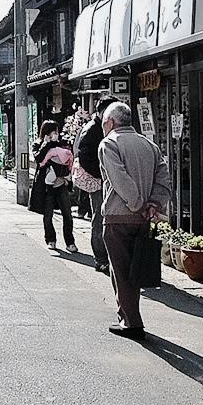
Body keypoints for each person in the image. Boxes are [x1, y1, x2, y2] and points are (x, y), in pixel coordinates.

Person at [98, 102, 172, 339]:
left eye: (103, 123)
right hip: (143, 218)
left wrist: (138, 203)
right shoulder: (149, 145)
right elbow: (164, 178)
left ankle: (131, 321)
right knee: (134, 269)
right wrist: (154, 204)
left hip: (118, 216)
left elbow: (119, 179)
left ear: (110, 122)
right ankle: (129, 316)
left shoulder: (109, 143)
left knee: (120, 269)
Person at [27, 120, 77, 252]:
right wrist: (46, 143)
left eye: (57, 131)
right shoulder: (38, 144)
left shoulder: (60, 144)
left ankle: (70, 242)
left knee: (67, 214)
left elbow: (67, 156)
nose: (56, 134)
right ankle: (50, 239)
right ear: (47, 132)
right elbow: (38, 159)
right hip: (46, 186)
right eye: (54, 131)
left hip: (61, 183)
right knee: (48, 214)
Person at [76, 98, 112, 275]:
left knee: (104, 217)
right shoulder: (92, 129)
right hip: (98, 182)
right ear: (102, 112)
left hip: (106, 180)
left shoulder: (102, 127)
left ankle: (107, 258)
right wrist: (101, 174)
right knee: (99, 218)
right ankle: (101, 260)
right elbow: (84, 157)